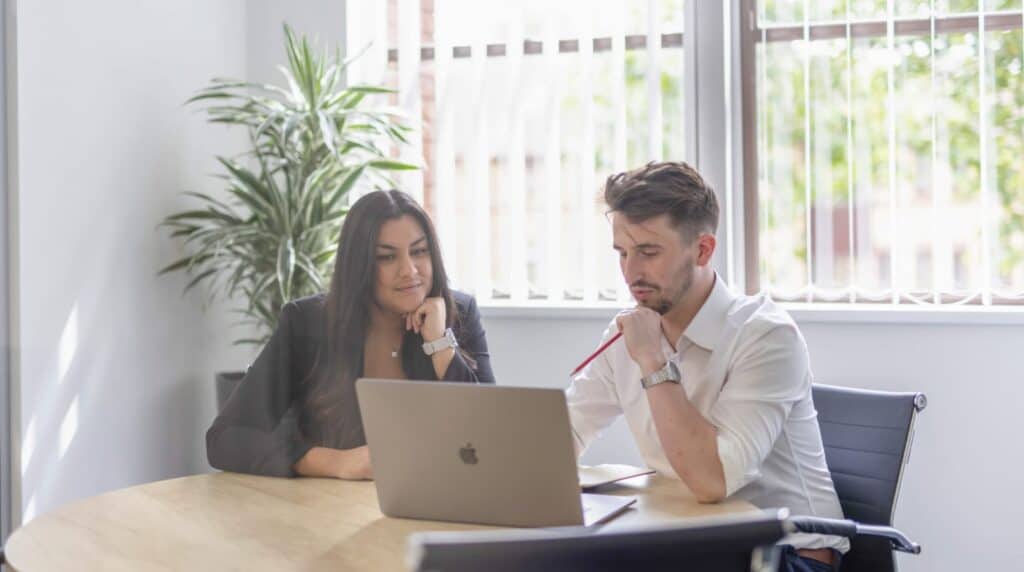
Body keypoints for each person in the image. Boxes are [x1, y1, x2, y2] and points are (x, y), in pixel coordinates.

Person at [566, 162, 848, 571]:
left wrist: (652, 360)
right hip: (686, 543)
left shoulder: (766, 336)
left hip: (786, 555)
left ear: (702, 250)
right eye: (622, 254)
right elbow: (567, 432)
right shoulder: (626, 331)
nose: (631, 273)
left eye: (648, 252)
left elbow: (710, 481)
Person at [206, 190, 495, 480]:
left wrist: (441, 344)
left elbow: (491, 435)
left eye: (419, 251)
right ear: (359, 266)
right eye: (386, 257)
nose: (409, 270)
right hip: (329, 511)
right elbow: (225, 438)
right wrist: (335, 462)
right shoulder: (307, 323)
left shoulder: (459, 314)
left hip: (439, 501)